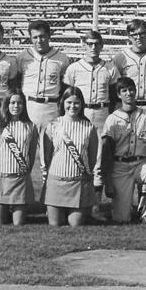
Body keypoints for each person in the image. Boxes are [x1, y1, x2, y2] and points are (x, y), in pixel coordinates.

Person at [63, 30, 118, 221]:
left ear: (102, 46)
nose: (93, 48)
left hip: (102, 114)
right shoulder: (74, 68)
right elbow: (66, 96)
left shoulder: (109, 68)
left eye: (96, 44)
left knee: (99, 162)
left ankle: (95, 206)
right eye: (89, 44)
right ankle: (72, 202)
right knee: (77, 158)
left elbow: (114, 95)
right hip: (81, 114)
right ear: (83, 45)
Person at [101, 77, 146, 228]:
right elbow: (107, 153)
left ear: (136, 92)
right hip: (120, 166)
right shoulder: (112, 119)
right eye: (124, 90)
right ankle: (125, 206)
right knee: (121, 218)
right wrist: (108, 182)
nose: (128, 93)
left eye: (131, 90)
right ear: (118, 95)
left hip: (140, 164)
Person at [41, 86, 100, 227]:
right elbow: (47, 156)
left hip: (78, 184)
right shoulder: (53, 125)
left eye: (76, 103)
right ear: (62, 103)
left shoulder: (89, 127)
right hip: (56, 182)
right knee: (55, 225)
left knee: (75, 224)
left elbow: (92, 158)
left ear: (82, 104)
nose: (72, 106)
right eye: (69, 102)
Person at [0, 88, 38, 225]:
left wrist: (26, 170)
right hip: (1, 178)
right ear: (6, 104)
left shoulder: (31, 126)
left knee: (18, 224)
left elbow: (31, 153)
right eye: (12, 102)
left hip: (20, 179)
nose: (16, 106)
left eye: (20, 103)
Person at [16, 20, 70, 132]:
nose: (39, 41)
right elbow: (16, 84)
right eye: (35, 37)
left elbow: (65, 88)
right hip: (28, 106)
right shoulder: (22, 57)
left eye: (42, 36)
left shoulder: (61, 58)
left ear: (49, 36)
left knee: (49, 145)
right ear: (30, 38)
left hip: (51, 107)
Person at [112, 19, 146, 124]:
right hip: (127, 108)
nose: (138, 37)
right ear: (129, 36)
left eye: (142, 33)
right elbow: (114, 87)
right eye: (134, 34)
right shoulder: (120, 58)